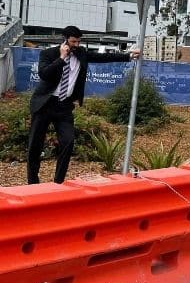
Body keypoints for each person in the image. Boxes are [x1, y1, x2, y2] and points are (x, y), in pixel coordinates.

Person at [27, 26, 140, 184]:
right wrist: (61, 58)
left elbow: (102, 58)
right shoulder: (48, 53)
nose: (76, 45)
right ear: (65, 39)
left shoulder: (81, 54)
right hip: (44, 104)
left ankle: (58, 182)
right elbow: (44, 74)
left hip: (64, 107)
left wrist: (128, 56)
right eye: (73, 41)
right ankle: (32, 182)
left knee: (68, 141)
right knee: (35, 146)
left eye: (79, 41)